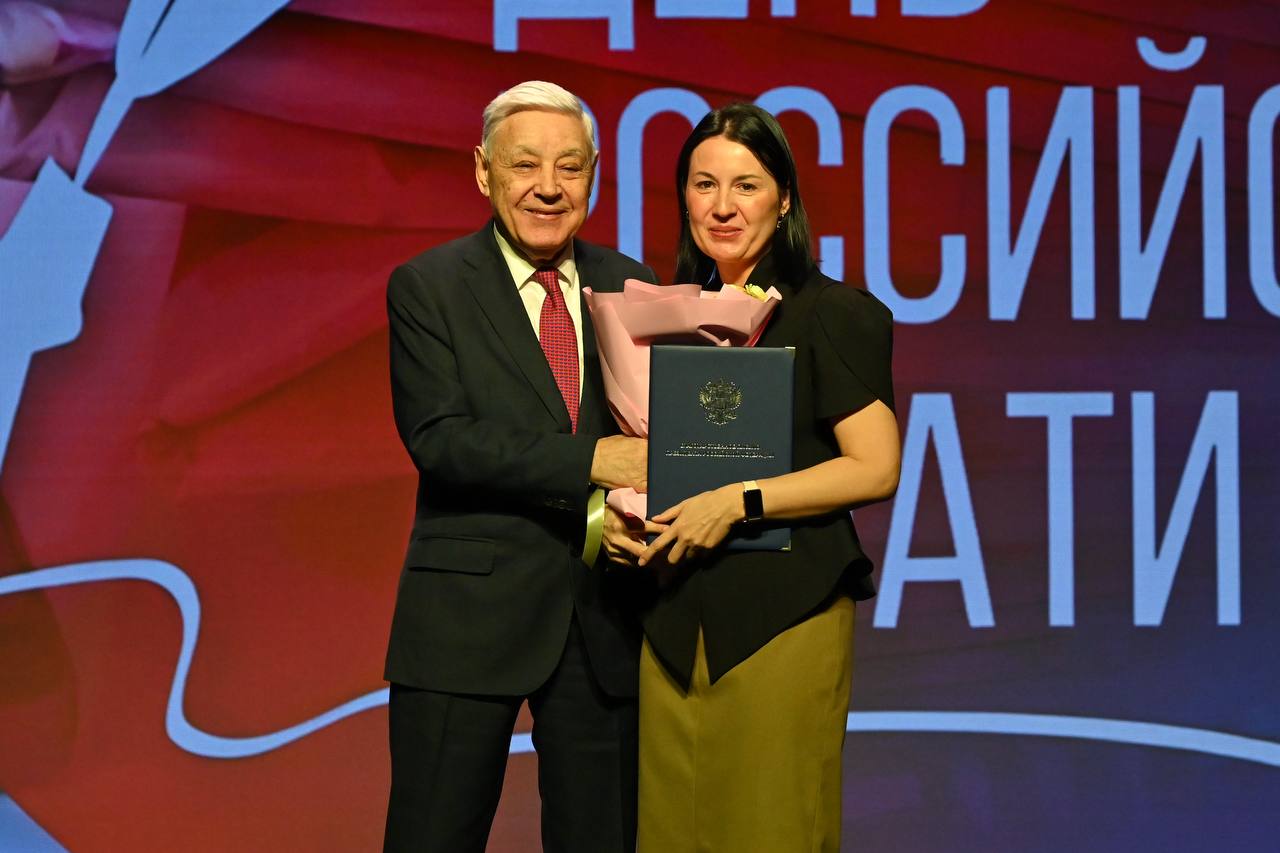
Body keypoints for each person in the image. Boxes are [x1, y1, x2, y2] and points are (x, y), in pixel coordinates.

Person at [610, 103, 901, 853]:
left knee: (772, 829)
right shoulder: (665, 321)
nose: (723, 205)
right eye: (704, 184)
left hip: (782, 616)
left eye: (746, 185)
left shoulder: (832, 311)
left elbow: (876, 465)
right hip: (674, 620)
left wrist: (739, 502)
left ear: (785, 199)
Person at [382, 80, 656, 853]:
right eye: (525, 164)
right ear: (483, 170)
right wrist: (594, 459)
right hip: (465, 618)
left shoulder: (632, 284)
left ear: (594, 174)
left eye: (569, 166)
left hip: (603, 621)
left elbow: (658, 436)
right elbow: (441, 439)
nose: (548, 186)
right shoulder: (429, 286)